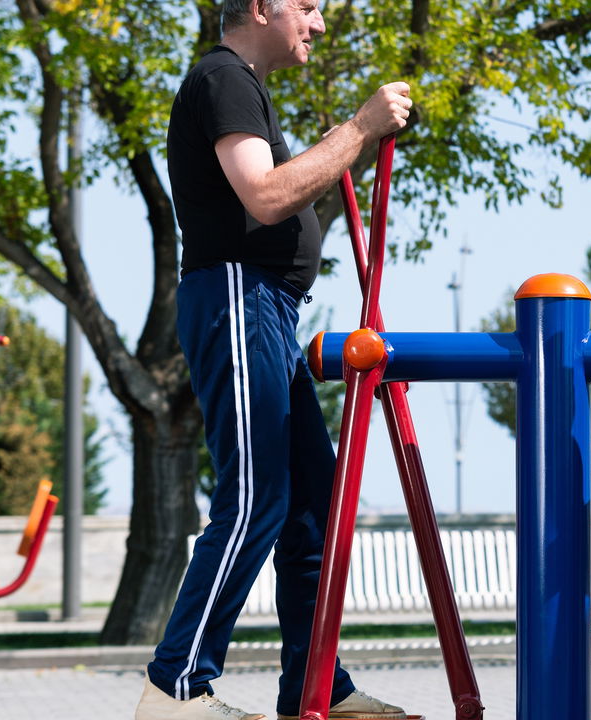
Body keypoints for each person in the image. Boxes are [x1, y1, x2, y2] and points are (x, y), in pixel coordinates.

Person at [135, 1, 413, 719]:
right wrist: (358, 129)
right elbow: (264, 196)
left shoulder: (242, 85)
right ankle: (175, 689)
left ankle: (315, 688)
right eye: (309, 6)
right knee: (256, 494)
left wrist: (341, 142)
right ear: (261, 6)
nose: (318, 25)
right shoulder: (224, 77)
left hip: (269, 309)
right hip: (238, 294)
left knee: (312, 509)